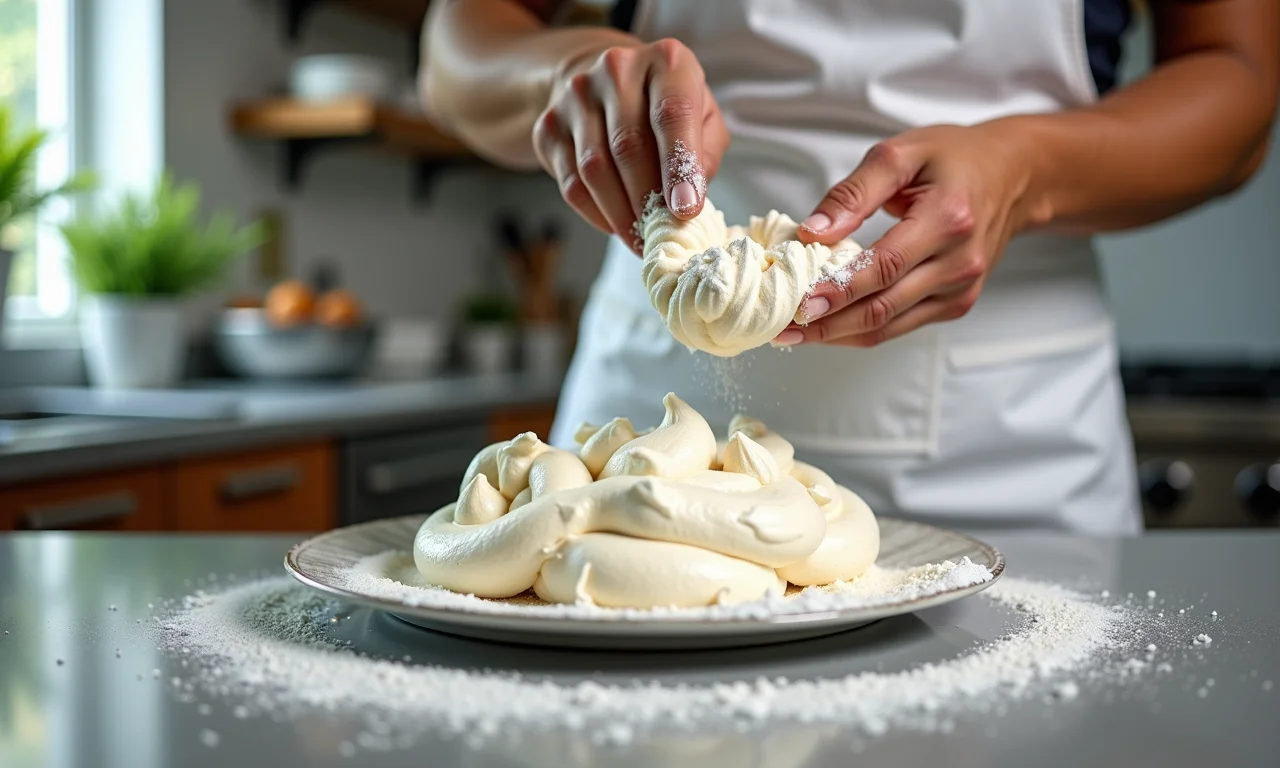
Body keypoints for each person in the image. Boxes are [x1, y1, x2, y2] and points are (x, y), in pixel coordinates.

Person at [421, 0, 1278, 534]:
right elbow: (457, 41)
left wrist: (1026, 171)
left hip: (1010, 444)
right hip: (645, 438)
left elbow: (1238, 83)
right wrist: (563, 75)